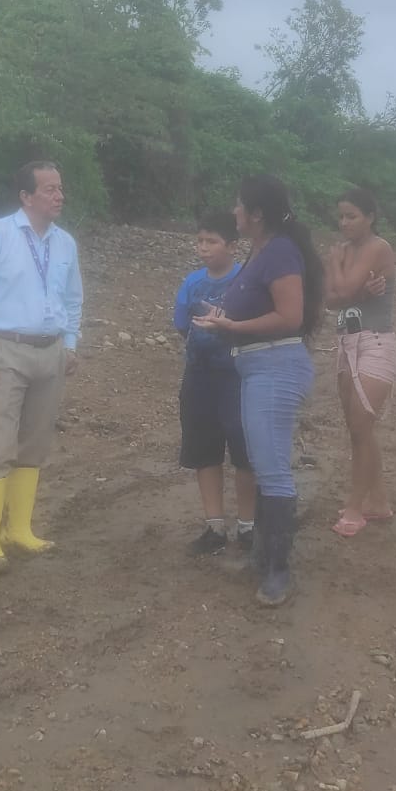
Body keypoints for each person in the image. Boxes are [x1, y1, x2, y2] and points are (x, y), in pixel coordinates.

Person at [191, 175, 324, 608]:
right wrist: (223, 318)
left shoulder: (279, 252)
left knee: (271, 467)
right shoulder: (262, 252)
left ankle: (278, 570)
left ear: (257, 213)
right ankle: (266, 557)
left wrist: (231, 325)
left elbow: (290, 316)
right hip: (259, 365)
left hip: (274, 365)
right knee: (267, 462)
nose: (234, 211)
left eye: (238, 205)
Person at [0, 161, 84, 574]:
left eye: (60, 188)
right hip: (6, 350)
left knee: (35, 443)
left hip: (51, 350)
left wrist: (70, 343)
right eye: (49, 189)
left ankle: (19, 529)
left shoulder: (65, 243)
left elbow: (73, 298)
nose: (59, 196)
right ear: (26, 197)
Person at [172, 211, 254, 555]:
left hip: (239, 377)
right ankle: (215, 525)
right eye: (200, 241)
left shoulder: (246, 281)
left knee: (245, 451)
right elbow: (181, 324)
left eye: (212, 241)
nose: (203, 248)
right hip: (199, 375)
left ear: (232, 246)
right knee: (204, 450)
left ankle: (248, 526)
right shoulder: (192, 282)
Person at [323, 187, 396, 537]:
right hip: (347, 342)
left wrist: (335, 265)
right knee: (359, 431)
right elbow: (330, 301)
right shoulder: (347, 249)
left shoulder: (377, 247)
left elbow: (341, 291)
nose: (344, 223)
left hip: (376, 342)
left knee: (360, 427)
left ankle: (356, 508)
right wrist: (351, 290)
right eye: (341, 216)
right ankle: (378, 501)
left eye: (351, 216)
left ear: (370, 217)